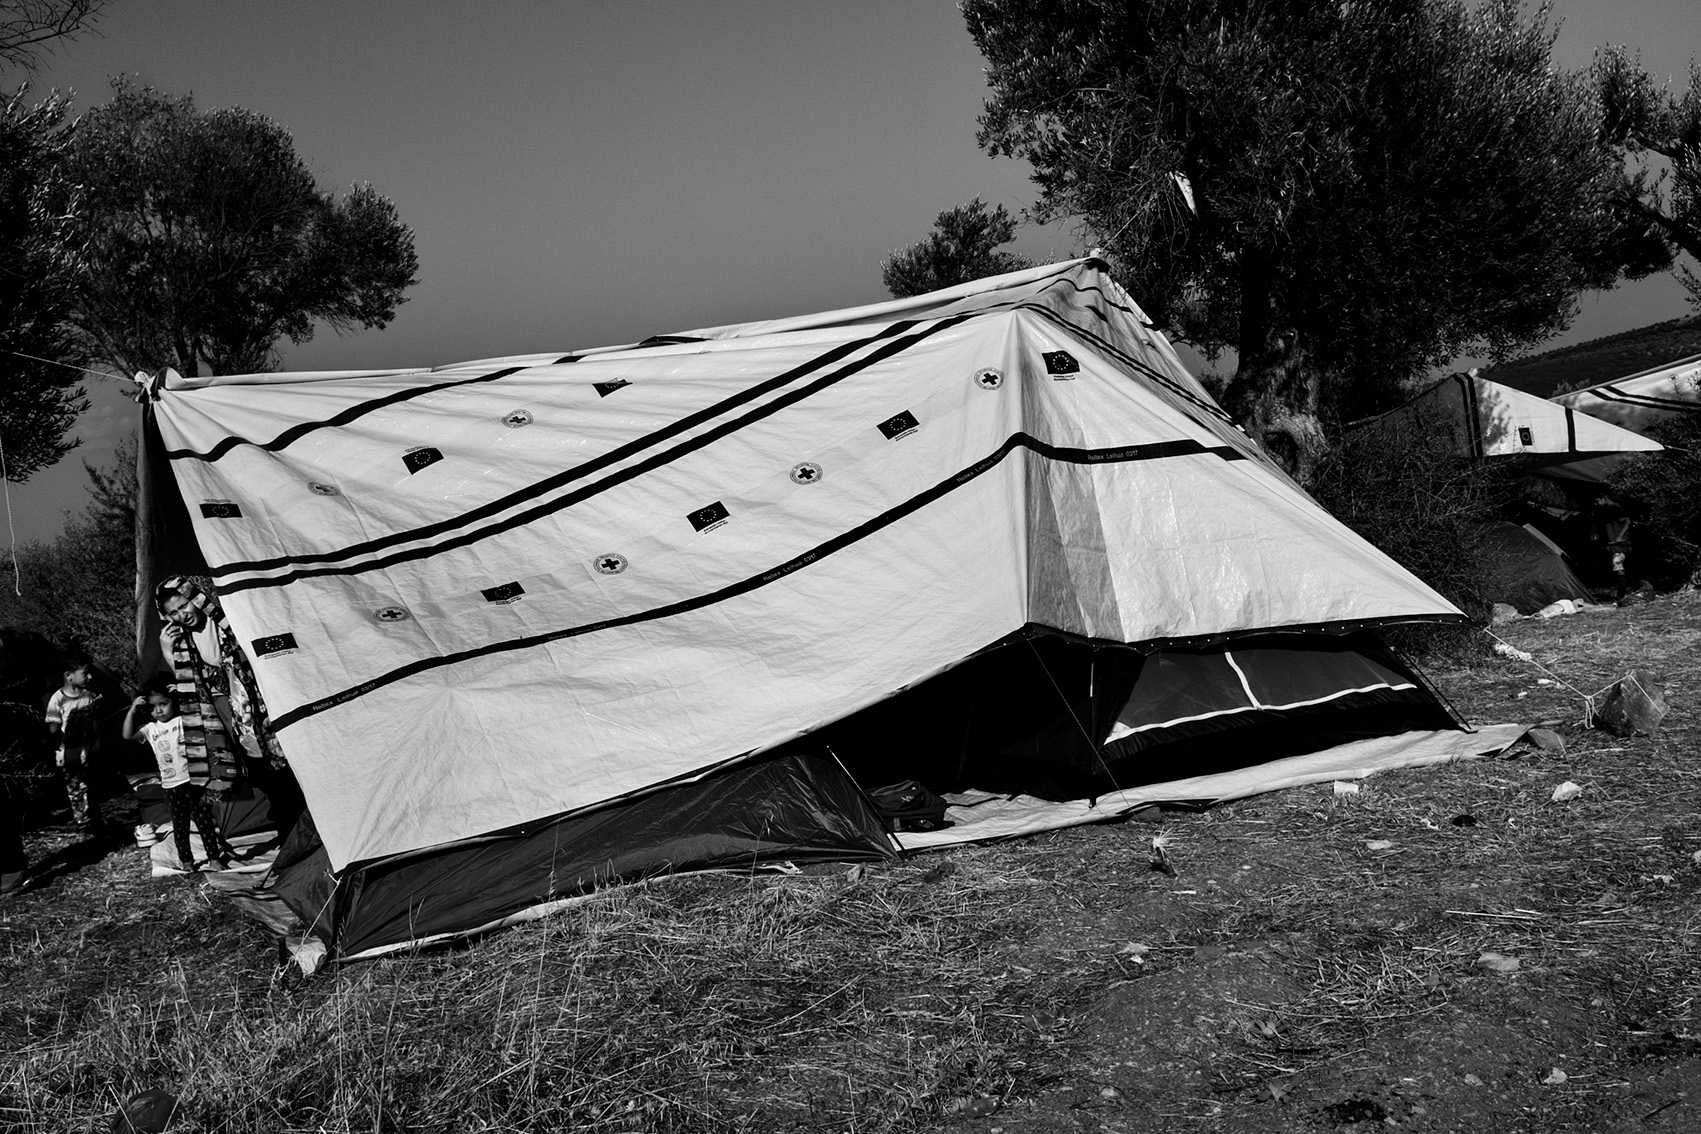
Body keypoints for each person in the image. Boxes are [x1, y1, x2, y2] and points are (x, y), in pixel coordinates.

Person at [153, 577, 304, 838]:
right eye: (173, 613)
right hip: (226, 716)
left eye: (184, 606)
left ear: (195, 598)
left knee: (283, 771)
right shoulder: (183, 640)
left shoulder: (227, 619)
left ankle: (298, 828)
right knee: (259, 775)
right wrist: (167, 650)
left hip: (261, 707)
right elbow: (189, 683)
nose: (182, 615)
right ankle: (289, 831)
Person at [122, 675, 239, 872]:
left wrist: (184, 695)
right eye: (152, 707)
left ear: (172, 702)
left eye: (163, 704)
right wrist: (132, 710)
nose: (158, 710)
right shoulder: (151, 729)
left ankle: (214, 859)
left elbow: (202, 712)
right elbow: (126, 735)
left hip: (194, 781)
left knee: (204, 821)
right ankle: (187, 862)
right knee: (180, 825)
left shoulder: (184, 720)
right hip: (170, 785)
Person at [44, 652, 110, 838]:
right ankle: (83, 823)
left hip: (90, 751)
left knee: (92, 786)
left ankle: (96, 820)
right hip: (70, 754)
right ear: (68, 675)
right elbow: (53, 728)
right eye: (85, 673)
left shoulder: (89, 695)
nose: (89, 677)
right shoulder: (58, 699)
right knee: (75, 788)